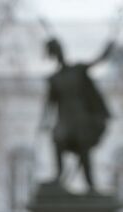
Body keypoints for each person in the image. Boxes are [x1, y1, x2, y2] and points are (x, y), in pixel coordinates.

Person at [42, 37, 114, 191]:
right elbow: (50, 103)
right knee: (58, 140)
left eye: (58, 51)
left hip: (81, 117)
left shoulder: (78, 70)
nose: (58, 55)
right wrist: (44, 121)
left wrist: (108, 49)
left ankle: (90, 184)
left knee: (84, 149)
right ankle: (59, 175)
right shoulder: (54, 79)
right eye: (55, 52)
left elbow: (97, 61)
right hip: (65, 119)